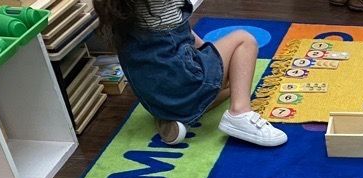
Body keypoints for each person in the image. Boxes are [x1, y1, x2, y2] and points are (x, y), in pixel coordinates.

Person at [94, 0, 287, 147]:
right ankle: (240, 113)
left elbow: (181, 34)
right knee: (244, 40)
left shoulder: (122, 8)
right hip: (181, 81)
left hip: (154, 96)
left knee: (233, 79)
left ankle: (171, 116)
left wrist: (209, 54)